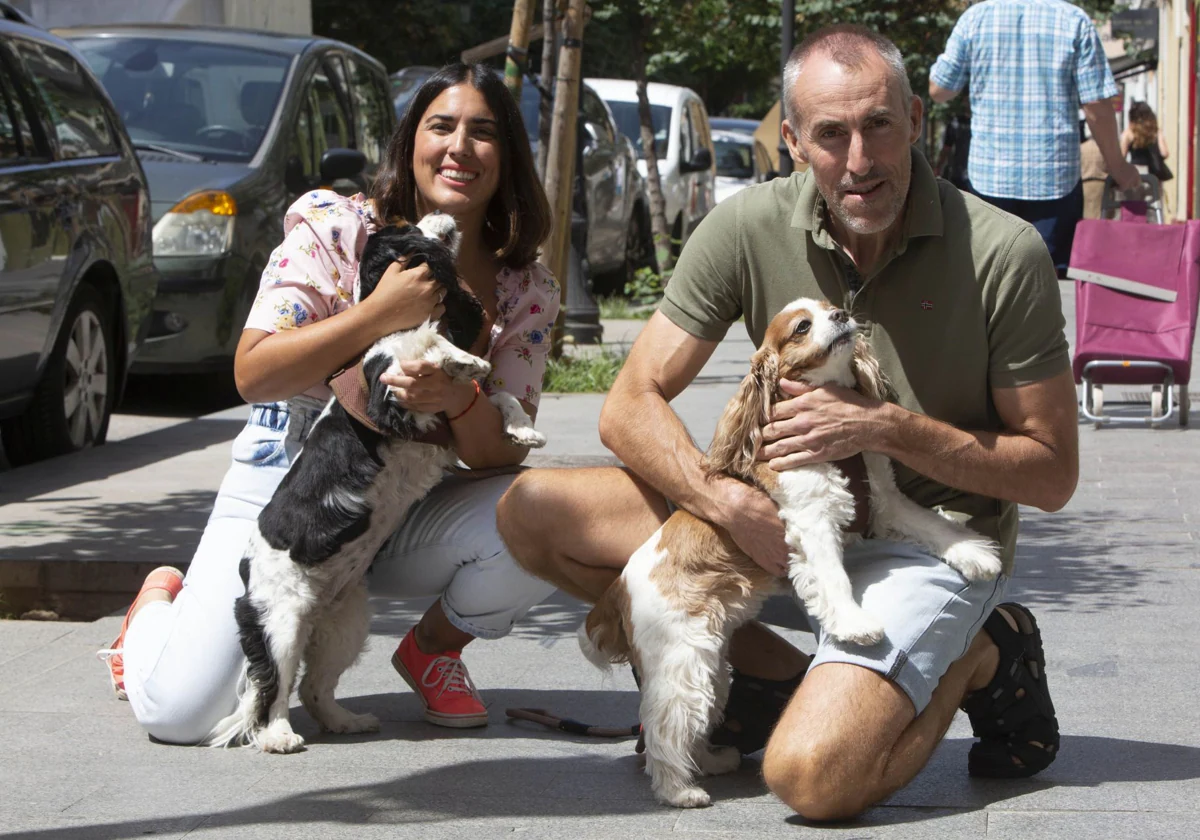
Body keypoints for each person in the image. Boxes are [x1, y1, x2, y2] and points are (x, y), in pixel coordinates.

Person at [496, 25, 1079, 821]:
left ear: (916, 119)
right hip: (775, 518)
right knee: (531, 514)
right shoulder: (746, 225)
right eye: (831, 135)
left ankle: (977, 657)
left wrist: (883, 428)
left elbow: (1051, 474)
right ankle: (773, 677)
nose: (860, 160)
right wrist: (731, 504)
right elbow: (628, 403)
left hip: (921, 530)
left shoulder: (1004, 253)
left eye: (878, 125)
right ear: (795, 140)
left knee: (813, 780)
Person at [99, 63, 560, 744]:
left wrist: (459, 401)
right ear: (409, 143)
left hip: (410, 491)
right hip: (292, 474)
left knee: (552, 522)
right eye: (442, 126)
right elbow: (255, 373)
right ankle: (156, 616)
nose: (461, 146)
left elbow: (500, 451)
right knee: (181, 715)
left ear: (509, 157)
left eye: (484, 132)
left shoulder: (528, 287)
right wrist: (380, 313)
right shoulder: (335, 225)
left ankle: (434, 653)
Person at [929, 0, 1141, 276]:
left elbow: (939, 90)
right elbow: (1096, 106)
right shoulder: (1074, 20)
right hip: (1054, 179)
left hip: (991, 176)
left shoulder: (975, 19)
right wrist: (1117, 166)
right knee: (1045, 285)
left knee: (990, 278)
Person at [1122, 100, 1172, 183]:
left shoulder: (1128, 133)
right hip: (1154, 175)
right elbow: (1165, 153)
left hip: (1135, 173)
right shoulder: (1155, 131)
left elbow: (1121, 156)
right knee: (1154, 195)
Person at [935, 103, 971, 191]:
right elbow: (947, 147)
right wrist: (938, 167)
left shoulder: (956, 122)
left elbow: (946, 148)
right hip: (959, 174)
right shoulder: (955, 122)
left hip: (970, 175)